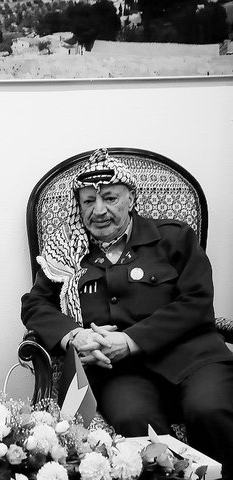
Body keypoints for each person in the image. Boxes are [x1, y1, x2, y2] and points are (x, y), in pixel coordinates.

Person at [21, 148, 233, 479]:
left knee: (210, 410)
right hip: (121, 373)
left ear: (131, 198)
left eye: (109, 198)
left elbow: (198, 301)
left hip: (193, 358)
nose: (99, 210)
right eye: (89, 201)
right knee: (137, 421)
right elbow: (35, 304)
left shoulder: (173, 238)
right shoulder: (67, 253)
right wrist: (77, 335)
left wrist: (130, 339)